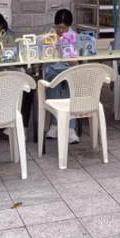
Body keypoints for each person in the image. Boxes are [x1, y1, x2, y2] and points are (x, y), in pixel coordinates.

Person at [44, 9, 79, 144]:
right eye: (58, 27)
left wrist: (69, 54)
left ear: (69, 26)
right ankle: (55, 124)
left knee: (71, 83)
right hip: (53, 69)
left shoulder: (74, 37)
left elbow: (76, 62)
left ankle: (70, 128)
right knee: (54, 81)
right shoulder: (49, 35)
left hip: (69, 69)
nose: (61, 30)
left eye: (64, 28)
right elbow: (44, 57)